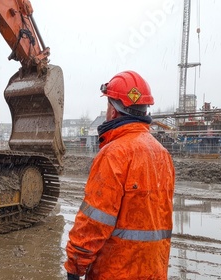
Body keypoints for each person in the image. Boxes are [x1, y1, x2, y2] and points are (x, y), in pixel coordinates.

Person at [64, 70, 175, 280]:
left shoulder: (114, 154)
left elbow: (94, 222)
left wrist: (74, 265)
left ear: (113, 111)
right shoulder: (163, 154)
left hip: (115, 272)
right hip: (154, 271)